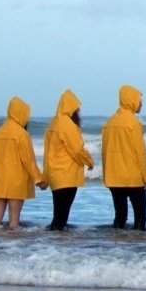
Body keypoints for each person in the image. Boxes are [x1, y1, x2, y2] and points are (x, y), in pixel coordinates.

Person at [0, 96, 46, 227]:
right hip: (16, 182)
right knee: (14, 220)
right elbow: (28, 160)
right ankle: (13, 241)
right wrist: (39, 180)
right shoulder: (22, 134)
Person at [42, 89, 95, 231]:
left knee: (58, 216)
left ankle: (51, 242)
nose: (78, 111)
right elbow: (76, 149)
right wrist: (89, 161)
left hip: (55, 175)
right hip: (67, 175)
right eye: (77, 108)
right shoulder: (67, 125)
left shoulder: (53, 124)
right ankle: (59, 243)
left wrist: (46, 176)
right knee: (62, 217)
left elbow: (47, 154)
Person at [102, 84, 146, 230]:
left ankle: (118, 242)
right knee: (140, 217)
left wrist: (106, 176)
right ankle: (137, 243)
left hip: (114, 178)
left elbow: (105, 152)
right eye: (139, 100)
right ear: (131, 101)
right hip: (133, 178)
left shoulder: (109, 123)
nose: (141, 103)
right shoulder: (134, 124)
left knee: (120, 216)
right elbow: (140, 153)